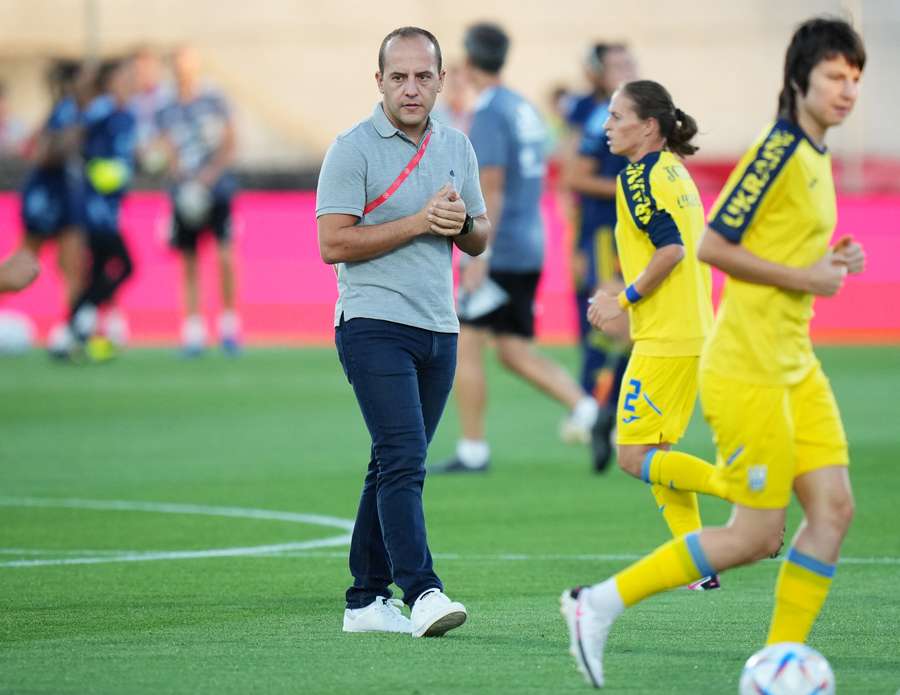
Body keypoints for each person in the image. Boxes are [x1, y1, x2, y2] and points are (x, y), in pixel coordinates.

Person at [560, 18, 866, 689]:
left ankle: (774, 657)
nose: (847, 92)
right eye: (834, 78)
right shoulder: (769, 153)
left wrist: (829, 262)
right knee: (753, 528)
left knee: (822, 510)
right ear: (799, 81)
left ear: (650, 125)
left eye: (855, 79)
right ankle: (617, 599)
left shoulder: (800, 157)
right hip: (743, 352)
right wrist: (812, 272)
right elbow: (717, 243)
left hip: (756, 352)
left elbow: (692, 248)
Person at [315, 26, 489, 638]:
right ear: (380, 82)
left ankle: (365, 601)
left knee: (389, 463)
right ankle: (423, 592)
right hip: (371, 323)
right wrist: (419, 222)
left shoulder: (457, 146)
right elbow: (332, 242)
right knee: (406, 461)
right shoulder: (353, 148)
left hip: (439, 325)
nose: (411, 88)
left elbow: (479, 235)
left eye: (423, 76)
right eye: (399, 77)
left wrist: (460, 221)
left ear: (441, 80)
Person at [434, 22, 603, 474]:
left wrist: (479, 255)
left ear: (468, 61)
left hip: (502, 247)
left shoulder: (489, 111)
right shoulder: (521, 107)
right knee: (512, 349)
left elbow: (493, 185)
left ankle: (473, 449)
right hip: (530, 241)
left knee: (465, 343)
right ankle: (588, 410)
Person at [583, 80, 728, 593]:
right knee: (659, 451)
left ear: (648, 126)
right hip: (691, 330)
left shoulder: (638, 178)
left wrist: (621, 300)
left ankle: (740, 486)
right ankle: (699, 562)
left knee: (632, 455)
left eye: (617, 117)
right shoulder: (676, 171)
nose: (607, 126)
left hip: (665, 337)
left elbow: (670, 251)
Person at [564, 44, 637, 471]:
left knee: (616, 323)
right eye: (618, 65)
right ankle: (593, 409)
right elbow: (574, 178)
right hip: (605, 234)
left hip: (626, 234)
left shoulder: (626, 112)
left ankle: (599, 410)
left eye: (630, 63)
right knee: (605, 324)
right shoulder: (595, 117)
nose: (627, 70)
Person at [156, 45, 239, 356]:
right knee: (189, 260)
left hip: (217, 190)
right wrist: (181, 176)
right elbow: (165, 147)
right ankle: (193, 331)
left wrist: (211, 174)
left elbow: (230, 140)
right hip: (184, 192)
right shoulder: (165, 106)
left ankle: (230, 326)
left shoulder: (214, 99)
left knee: (225, 257)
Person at [66, 58, 137, 361]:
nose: (130, 82)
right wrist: (98, 171)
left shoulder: (129, 116)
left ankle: (77, 332)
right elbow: (77, 144)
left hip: (112, 204)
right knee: (125, 264)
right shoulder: (100, 111)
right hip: (95, 205)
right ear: (110, 82)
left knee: (98, 268)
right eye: (124, 77)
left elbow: (126, 156)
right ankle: (79, 318)